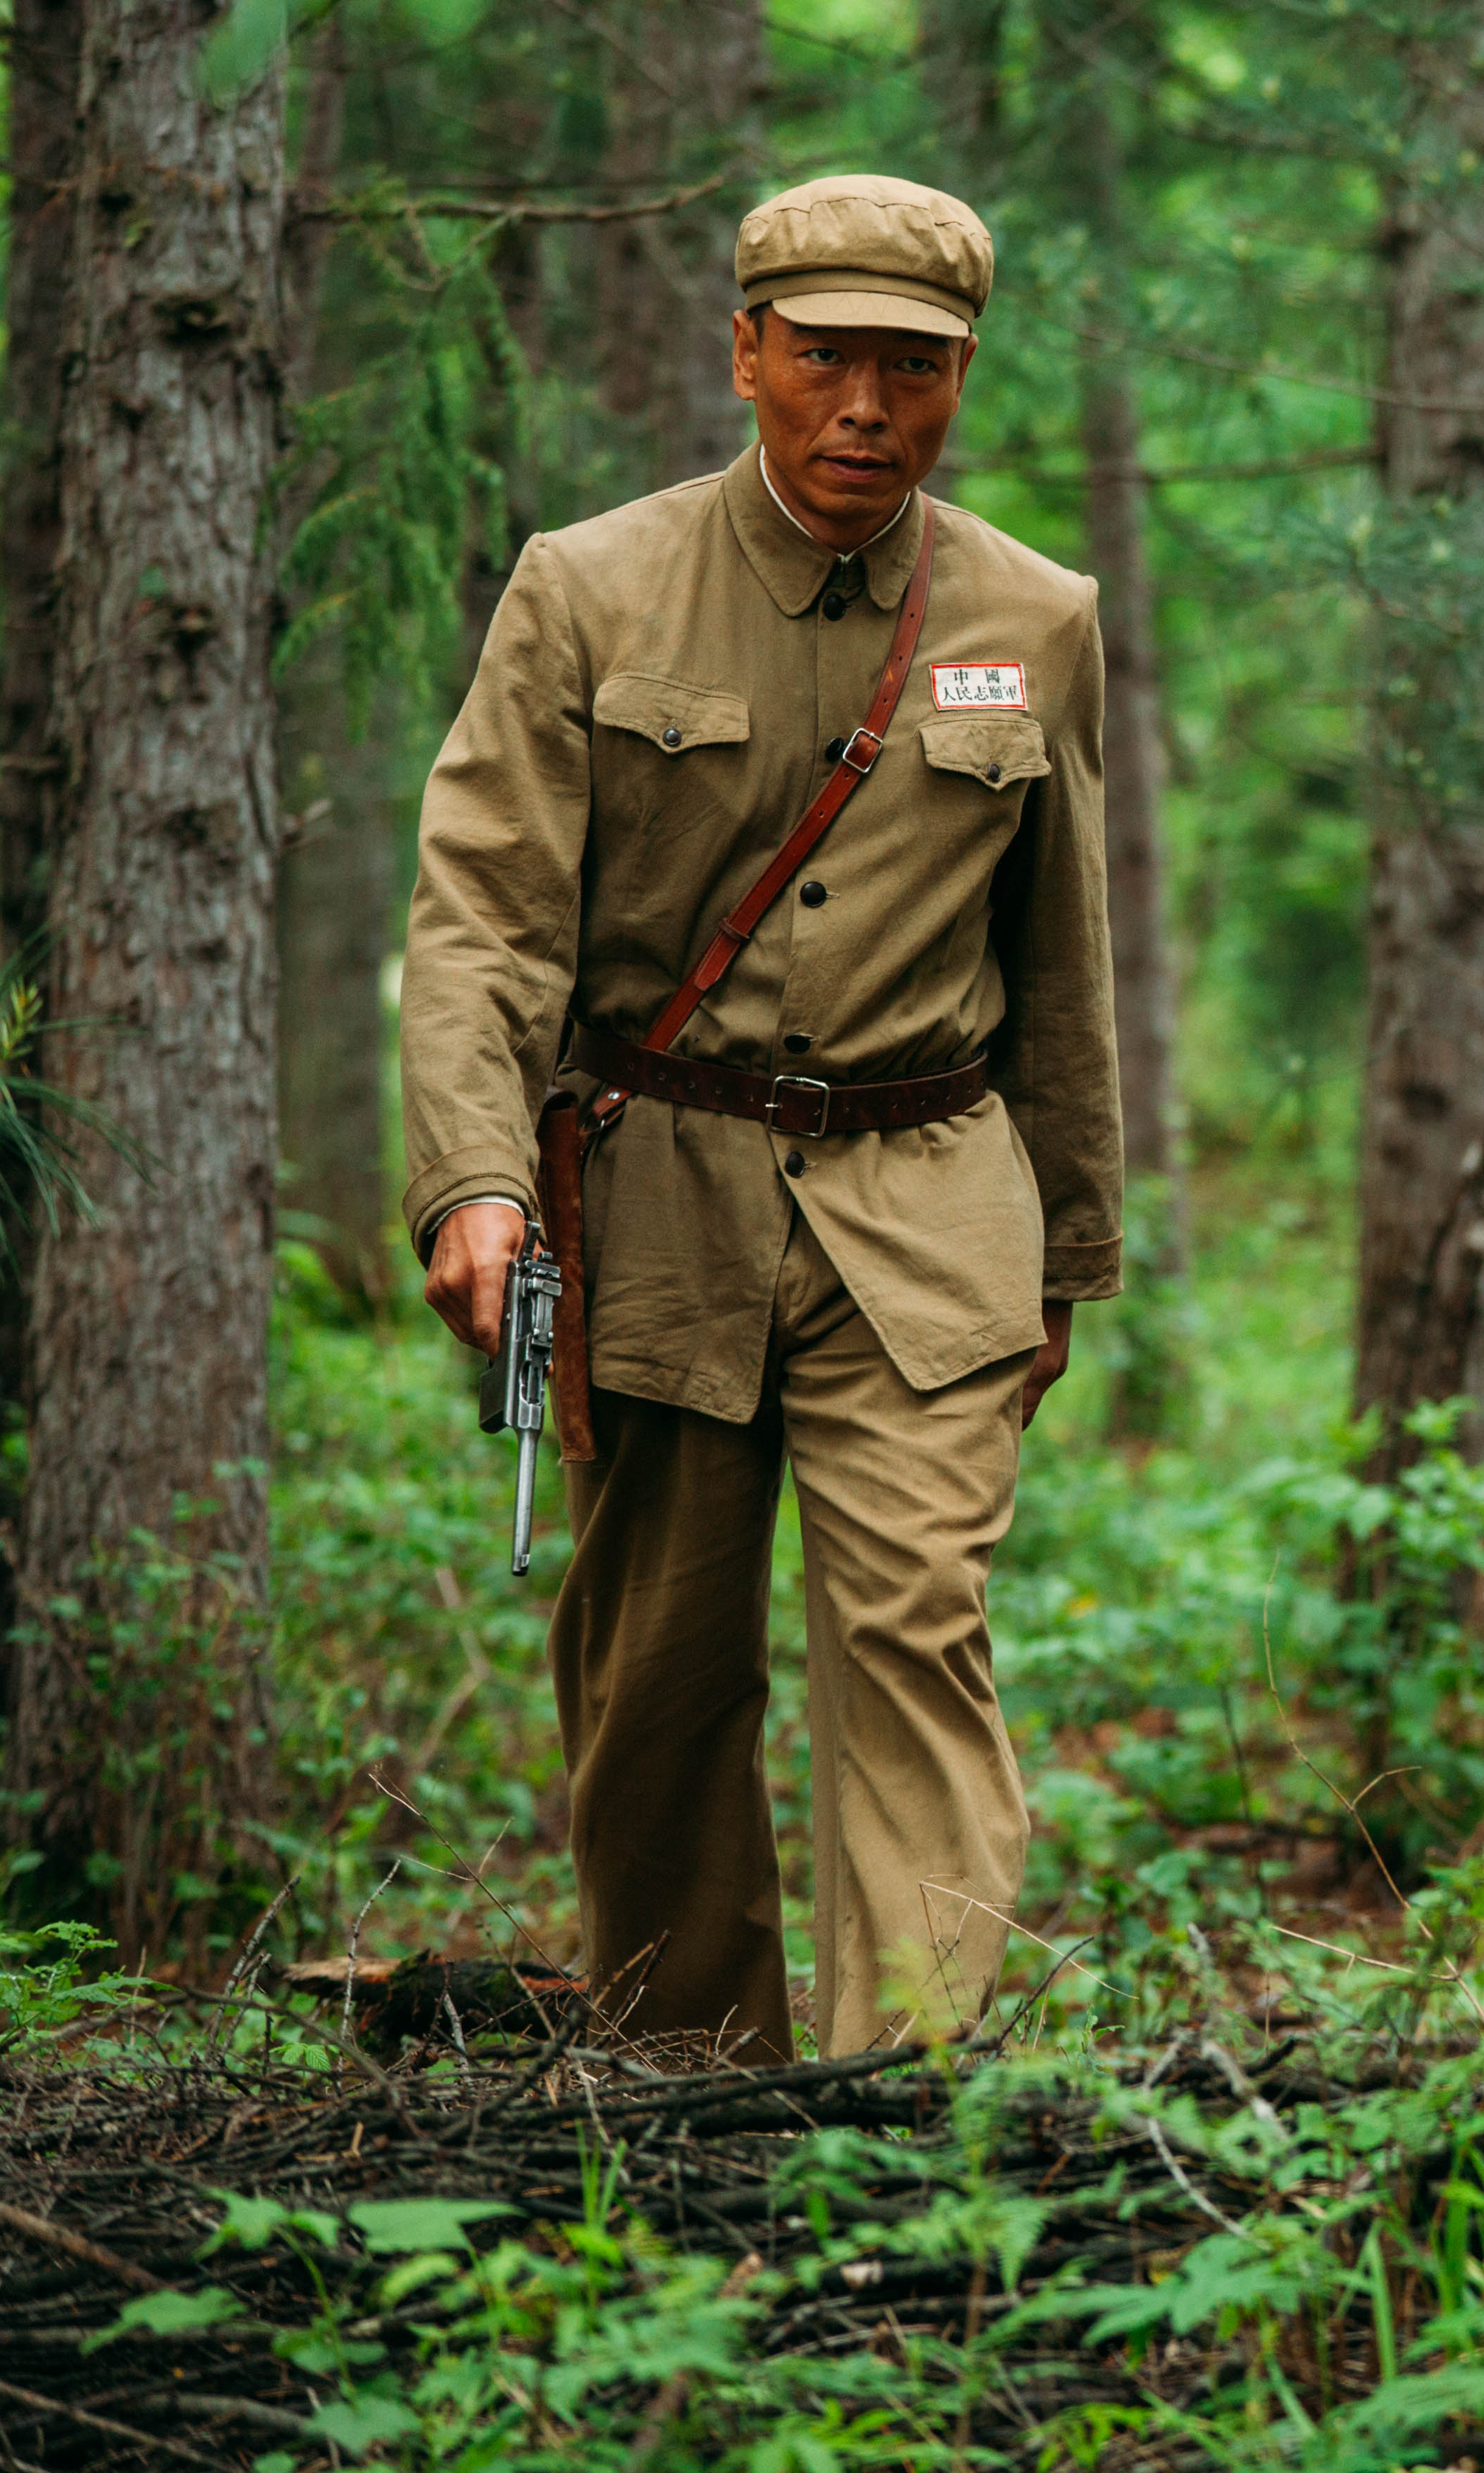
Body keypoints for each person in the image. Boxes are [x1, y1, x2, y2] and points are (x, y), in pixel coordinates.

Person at [401, 174, 1120, 2064]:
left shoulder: (1034, 619)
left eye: (915, 367)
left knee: (916, 1639)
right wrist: (476, 1181)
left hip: (931, 1203)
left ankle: (911, 2110)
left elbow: (1066, 958)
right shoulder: (592, 586)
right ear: (747, 354)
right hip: (659, 1201)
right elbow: (482, 917)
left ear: (963, 376)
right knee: (659, 1674)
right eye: (827, 360)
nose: (866, 408)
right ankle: (687, 2079)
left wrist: (1069, 1247)